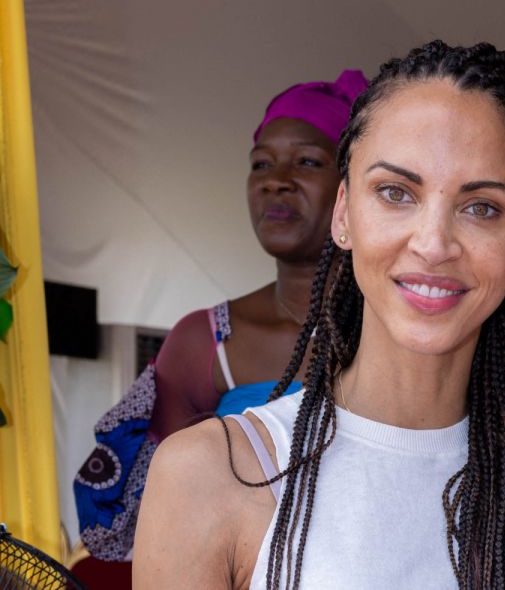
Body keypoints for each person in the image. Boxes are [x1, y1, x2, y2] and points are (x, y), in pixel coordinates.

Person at [133, 41, 505, 589]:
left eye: (481, 207)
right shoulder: (209, 476)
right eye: (395, 192)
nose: (434, 243)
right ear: (344, 214)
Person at [71, 70, 366, 586]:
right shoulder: (204, 341)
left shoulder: (402, 334)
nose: (276, 179)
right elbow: (159, 510)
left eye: (308, 161)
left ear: (355, 186)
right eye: (261, 164)